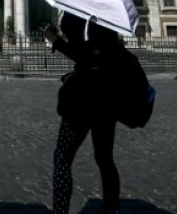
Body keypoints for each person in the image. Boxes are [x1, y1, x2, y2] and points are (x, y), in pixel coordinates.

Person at [45, 12, 125, 214]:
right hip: (108, 100)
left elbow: (83, 54)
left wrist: (56, 40)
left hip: (81, 103)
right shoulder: (108, 20)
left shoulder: (82, 17)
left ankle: (60, 211)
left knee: (62, 158)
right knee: (105, 159)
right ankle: (112, 209)